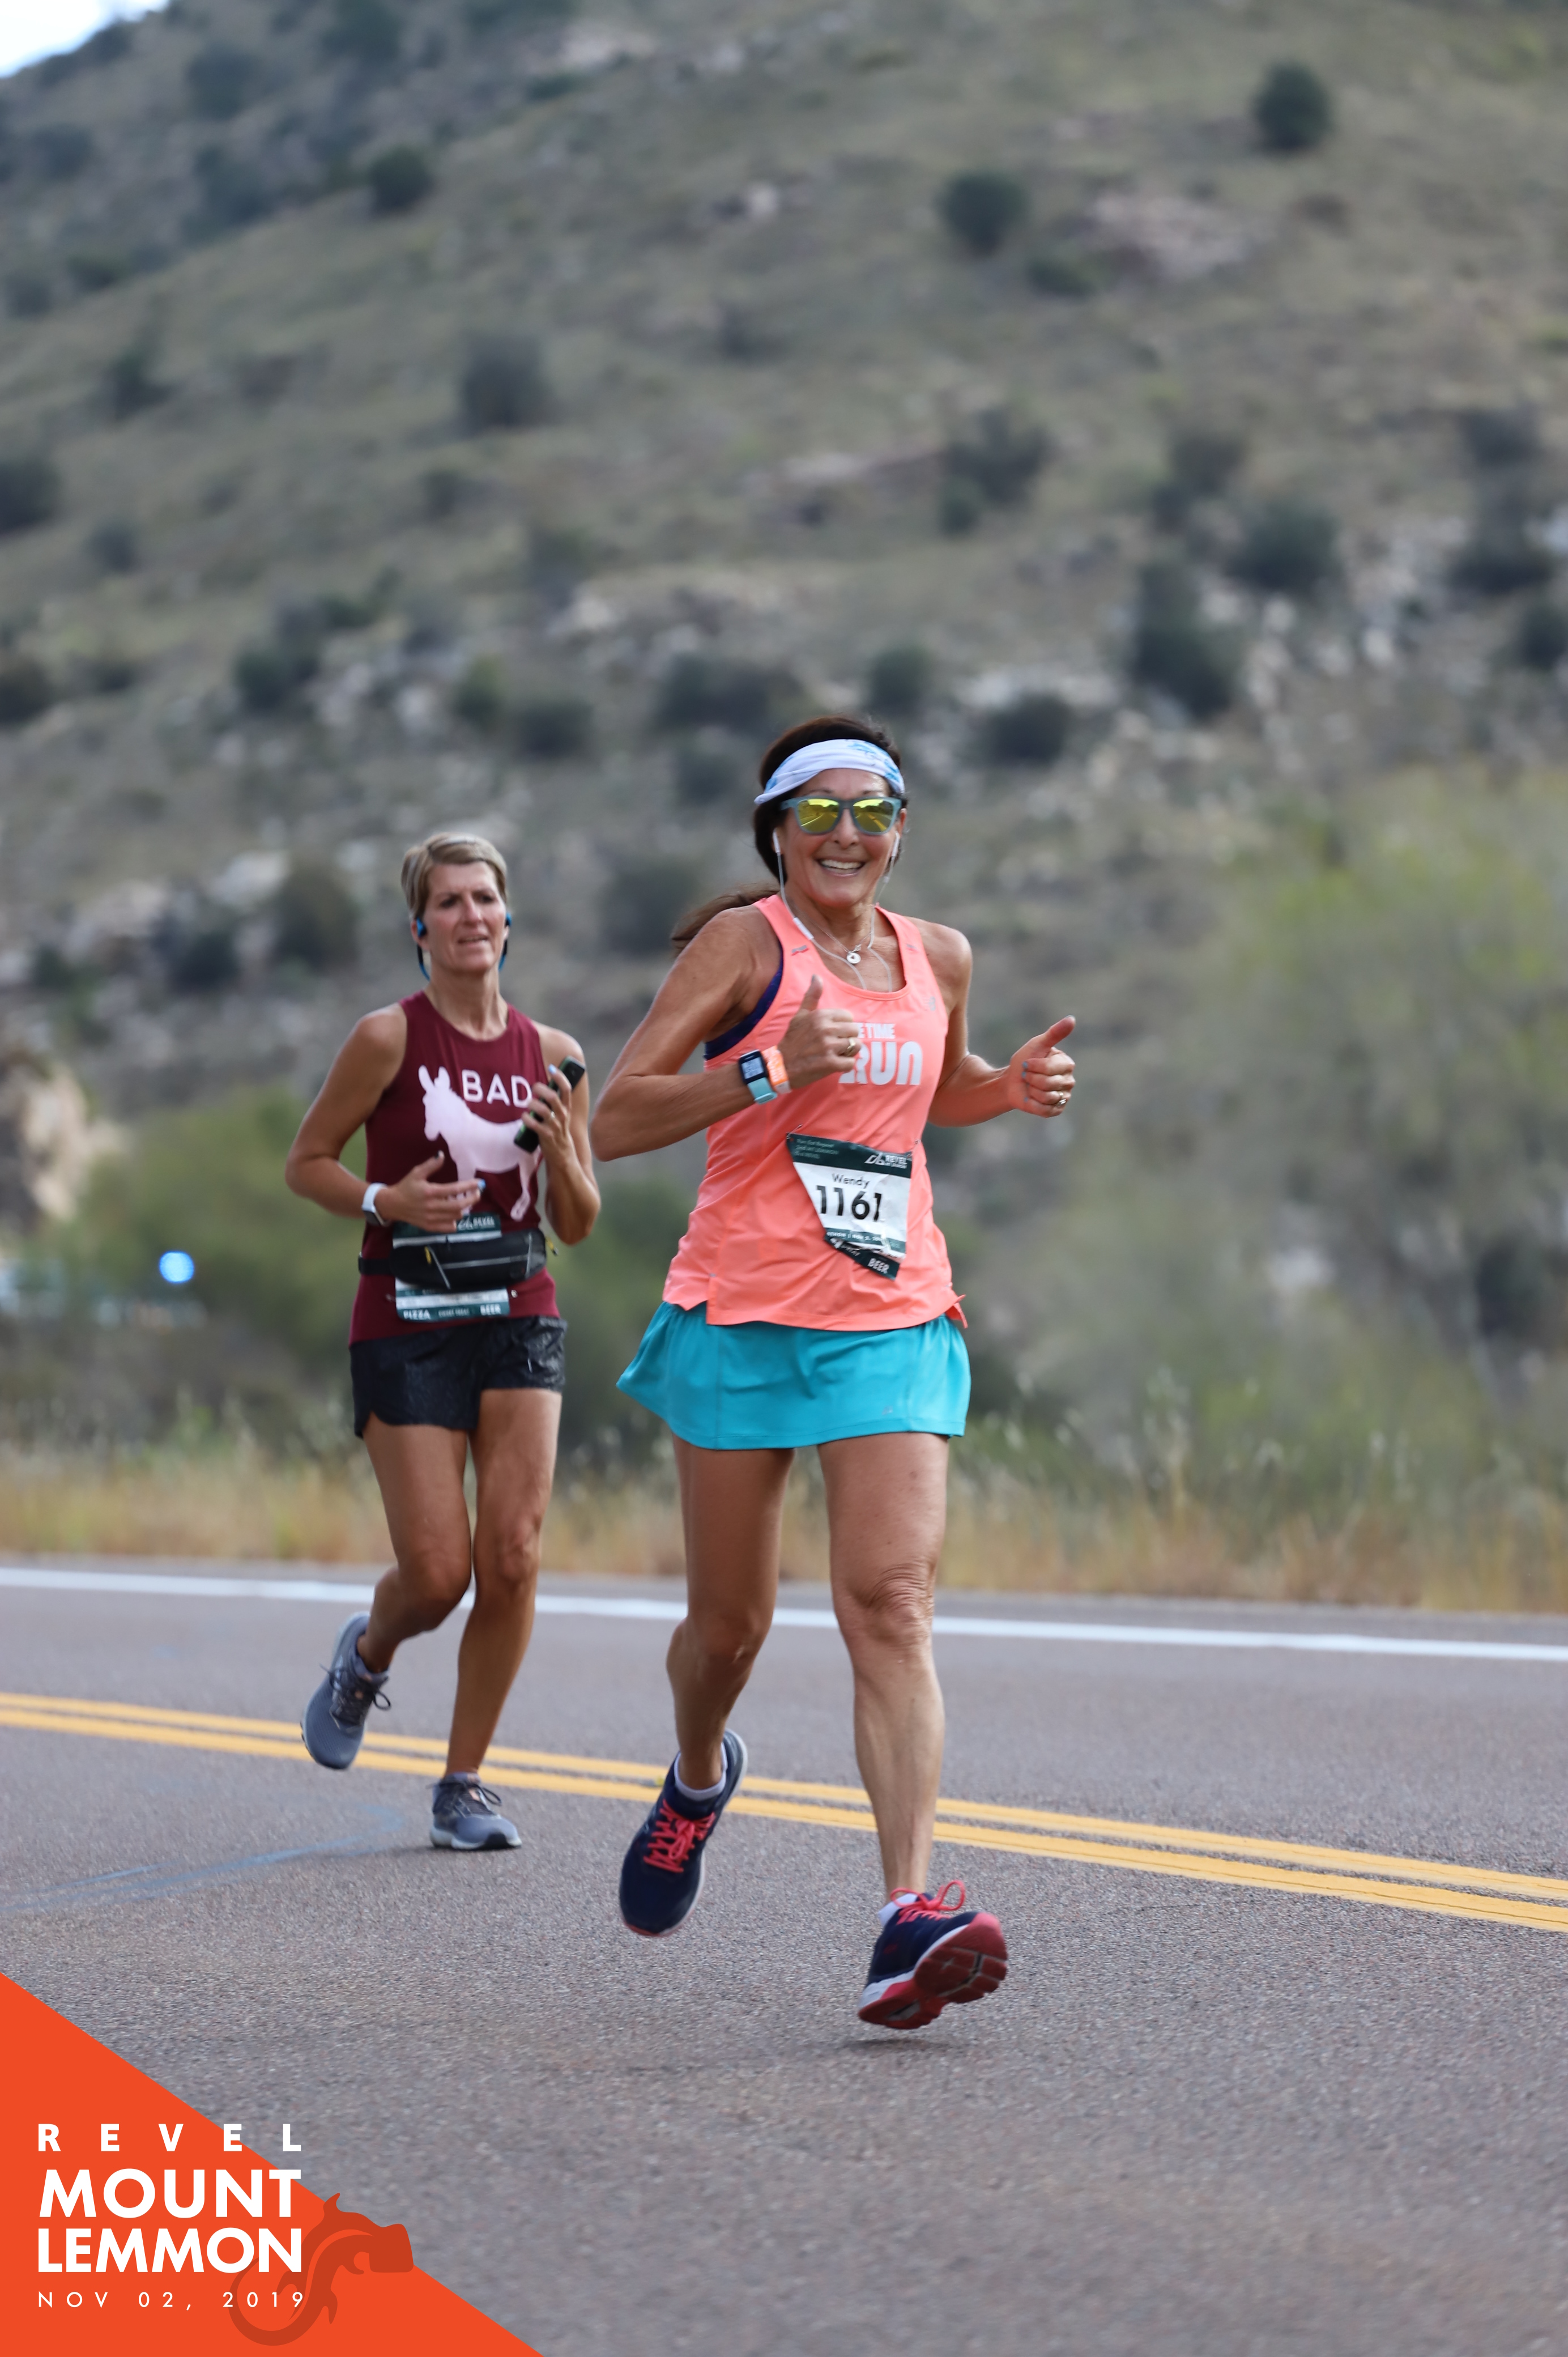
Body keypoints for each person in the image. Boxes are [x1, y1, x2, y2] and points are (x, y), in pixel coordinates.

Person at [590, 717, 1076, 2026]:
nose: (847, 833)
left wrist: (1006, 1088)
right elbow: (617, 1116)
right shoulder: (742, 948)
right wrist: (763, 1067)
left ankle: (906, 1914)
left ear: (901, 829)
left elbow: (932, 1089)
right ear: (778, 831)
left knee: (891, 1601)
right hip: (741, 1313)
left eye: (873, 810)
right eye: (819, 812)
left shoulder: (940, 955)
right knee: (727, 1632)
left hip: (892, 1313)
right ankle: (698, 1776)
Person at [284, 830, 599, 1850]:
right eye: (450, 902)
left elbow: (580, 1217)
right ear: (419, 928)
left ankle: (463, 1784)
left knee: (512, 1554)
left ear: (510, 920)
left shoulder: (555, 1056)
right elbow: (307, 1162)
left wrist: (564, 1150)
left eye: (485, 899)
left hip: (518, 1310)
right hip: (408, 1317)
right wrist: (388, 1200)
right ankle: (367, 1655)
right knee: (437, 1576)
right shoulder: (387, 1038)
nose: (471, 916)